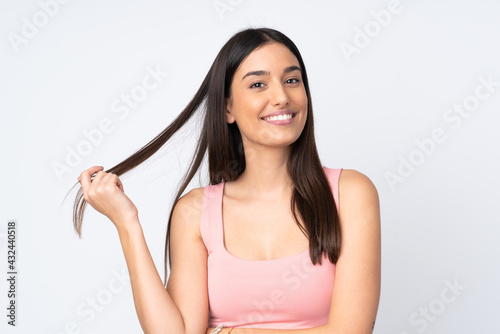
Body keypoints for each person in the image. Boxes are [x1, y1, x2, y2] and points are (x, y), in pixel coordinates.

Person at [73, 28, 381, 333]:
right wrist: (128, 224)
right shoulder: (195, 211)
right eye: (258, 84)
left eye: (291, 80)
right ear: (227, 108)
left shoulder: (350, 193)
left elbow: (352, 331)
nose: (281, 97)